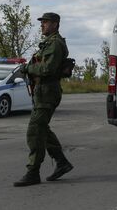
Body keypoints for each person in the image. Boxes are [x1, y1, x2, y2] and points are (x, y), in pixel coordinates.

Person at [14, 12, 73, 187]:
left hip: (48, 92)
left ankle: (33, 172)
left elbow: (47, 69)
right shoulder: (47, 44)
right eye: (42, 23)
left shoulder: (55, 44)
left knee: (34, 131)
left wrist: (28, 68)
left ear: (55, 24)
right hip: (42, 92)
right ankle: (62, 162)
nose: (42, 25)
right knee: (42, 129)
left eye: (45, 22)